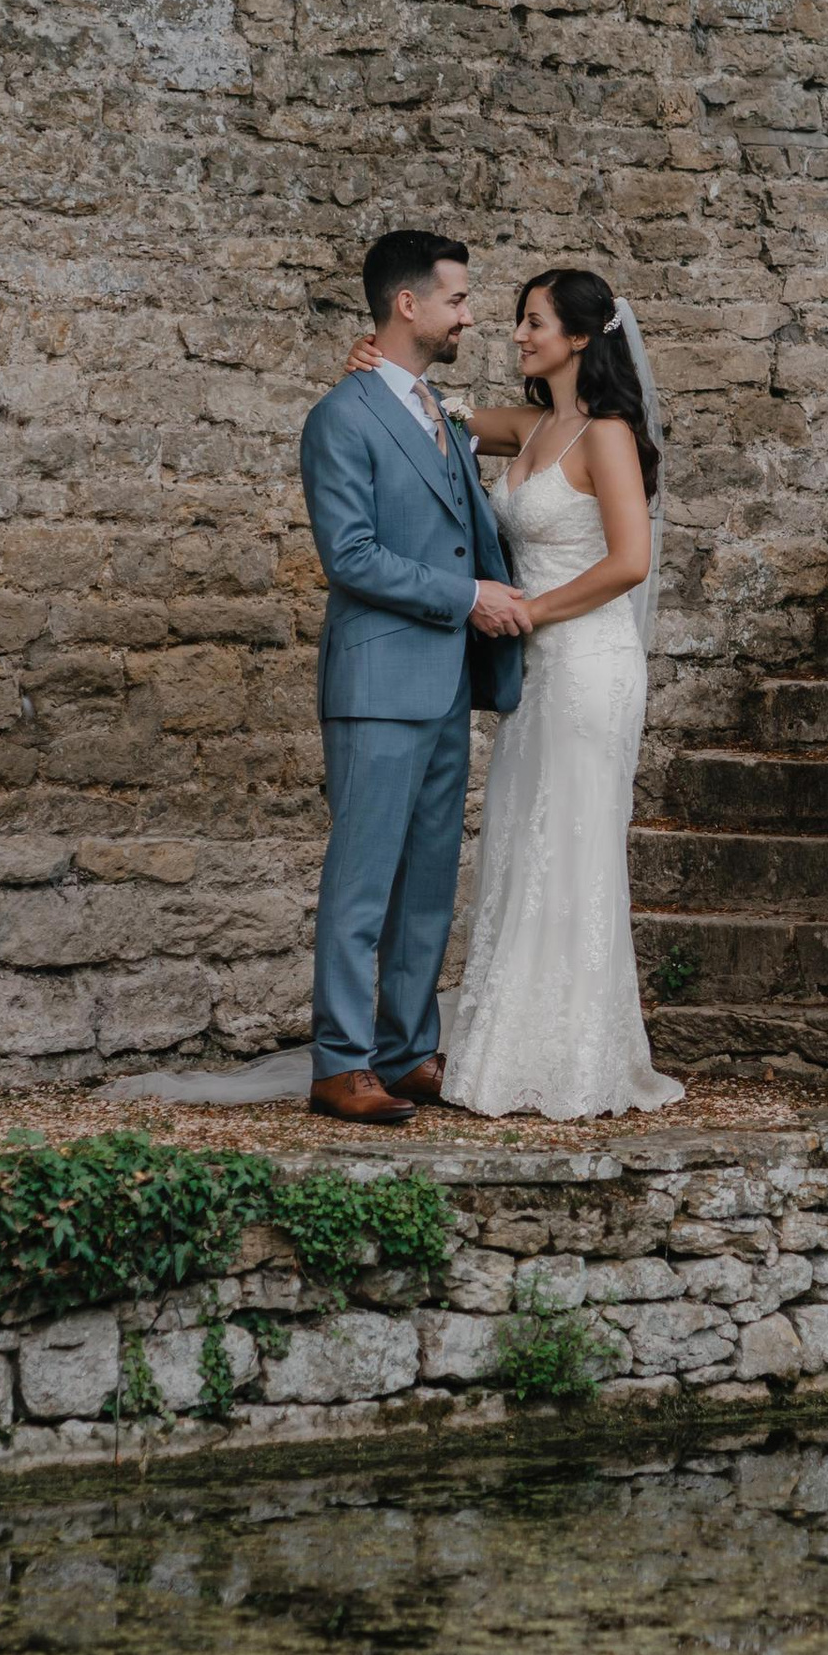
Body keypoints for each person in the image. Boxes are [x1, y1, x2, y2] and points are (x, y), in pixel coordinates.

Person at [345, 264, 681, 1121]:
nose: (518, 335)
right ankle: (512, 1044)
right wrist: (381, 374)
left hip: (588, 659)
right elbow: (439, 413)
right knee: (525, 841)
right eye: (516, 320)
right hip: (540, 670)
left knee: (571, 841)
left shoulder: (605, 432)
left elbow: (631, 561)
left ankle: (577, 1056)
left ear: (577, 338)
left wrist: (529, 610)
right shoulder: (535, 426)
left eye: (533, 322)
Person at [299, 230, 531, 1125]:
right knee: (362, 881)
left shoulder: (438, 409)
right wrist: (468, 593)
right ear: (408, 305)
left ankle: (404, 1051)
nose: (472, 315)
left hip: (444, 685)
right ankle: (339, 1062)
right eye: (460, 300)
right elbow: (351, 555)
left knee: (429, 880)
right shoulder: (341, 417)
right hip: (376, 683)